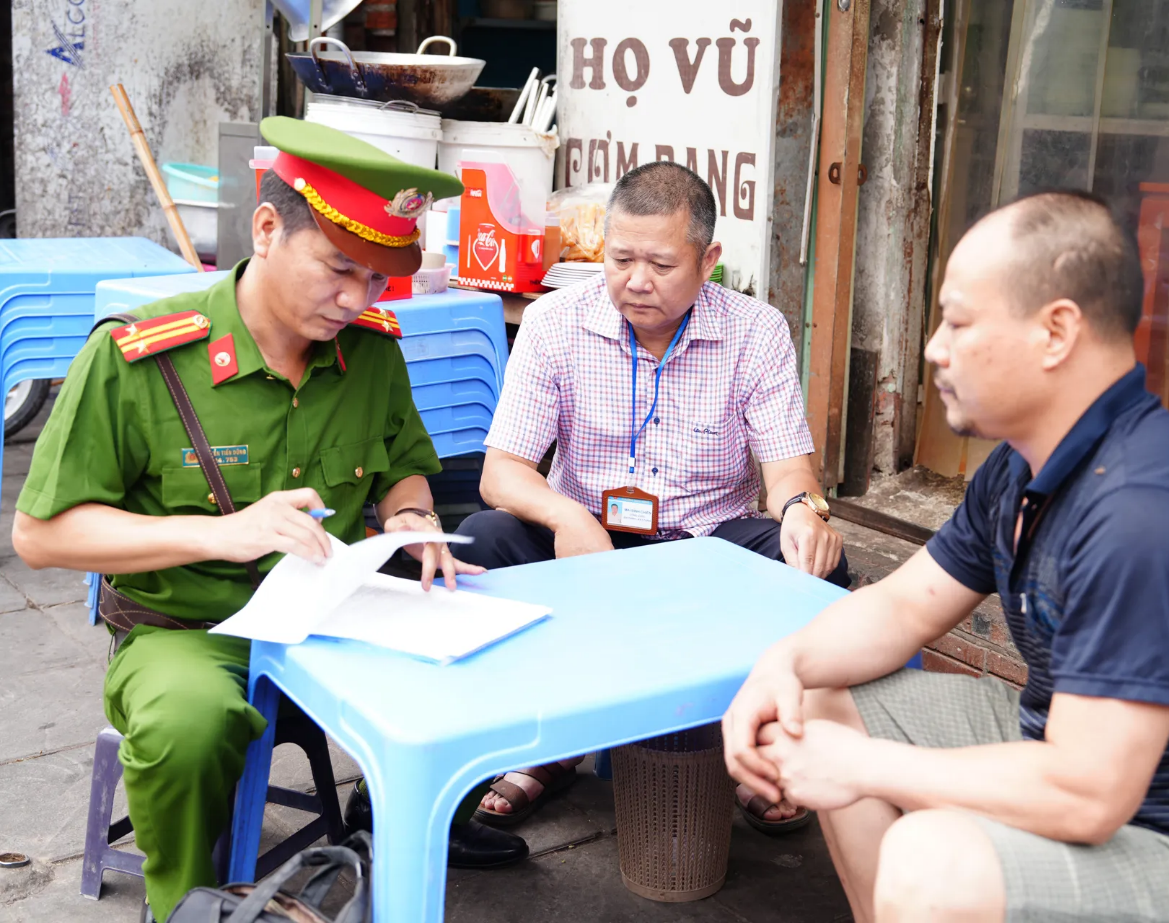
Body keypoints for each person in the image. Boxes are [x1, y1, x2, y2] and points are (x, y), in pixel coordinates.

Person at [722, 191, 1169, 923]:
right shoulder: (1022, 465)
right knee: (819, 702)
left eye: (958, 322)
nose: (934, 348)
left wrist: (860, 766)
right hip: (1084, 772)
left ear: (1056, 332)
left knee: (932, 863)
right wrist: (780, 666)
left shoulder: (1146, 514)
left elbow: (1086, 794)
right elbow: (902, 606)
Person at [10, 118, 527, 922]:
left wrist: (413, 514)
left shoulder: (370, 353)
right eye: (338, 268)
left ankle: (405, 831)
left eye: (376, 279)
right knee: (189, 724)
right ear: (264, 228)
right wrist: (221, 533)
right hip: (189, 629)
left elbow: (400, 464)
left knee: (489, 658)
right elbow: (40, 535)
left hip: (333, 619)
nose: (357, 298)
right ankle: (183, 904)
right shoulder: (141, 358)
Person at [456, 161, 847, 831]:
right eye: (620, 259)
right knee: (482, 538)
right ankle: (551, 739)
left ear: (708, 260)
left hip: (706, 544)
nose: (636, 280)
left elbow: (790, 472)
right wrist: (564, 515)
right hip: (588, 543)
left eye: (661, 264)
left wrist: (801, 512)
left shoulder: (756, 331)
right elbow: (502, 472)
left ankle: (752, 746)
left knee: (817, 566)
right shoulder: (553, 322)